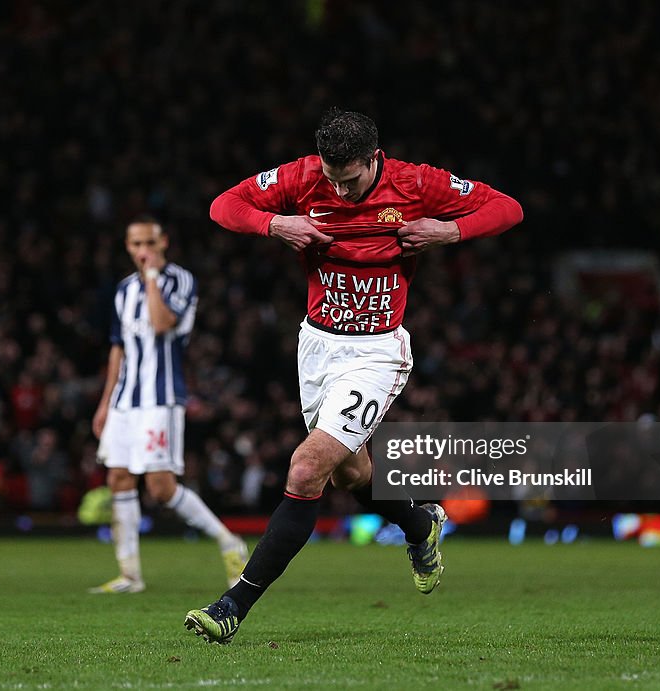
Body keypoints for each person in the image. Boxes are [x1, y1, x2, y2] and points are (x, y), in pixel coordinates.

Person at [185, 108, 523, 643]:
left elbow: (508, 208)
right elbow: (223, 205)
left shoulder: (415, 182)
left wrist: (449, 231)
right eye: (332, 179)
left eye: (351, 180)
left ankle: (232, 607)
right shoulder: (302, 177)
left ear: (373, 158)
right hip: (317, 346)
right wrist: (276, 223)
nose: (339, 192)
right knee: (348, 474)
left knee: (306, 468)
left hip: (375, 353)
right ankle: (420, 525)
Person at [88, 216, 248, 594]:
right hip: (126, 399)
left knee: (160, 488)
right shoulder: (123, 289)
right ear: (128, 247)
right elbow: (118, 348)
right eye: (135, 245)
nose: (142, 251)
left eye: (149, 243)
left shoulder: (180, 280)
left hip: (161, 398)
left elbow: (161, 324)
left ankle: (230, 541)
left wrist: (154, 278)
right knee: (118, 478)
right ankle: (130, 575)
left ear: (163, 244)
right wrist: (105, 402)